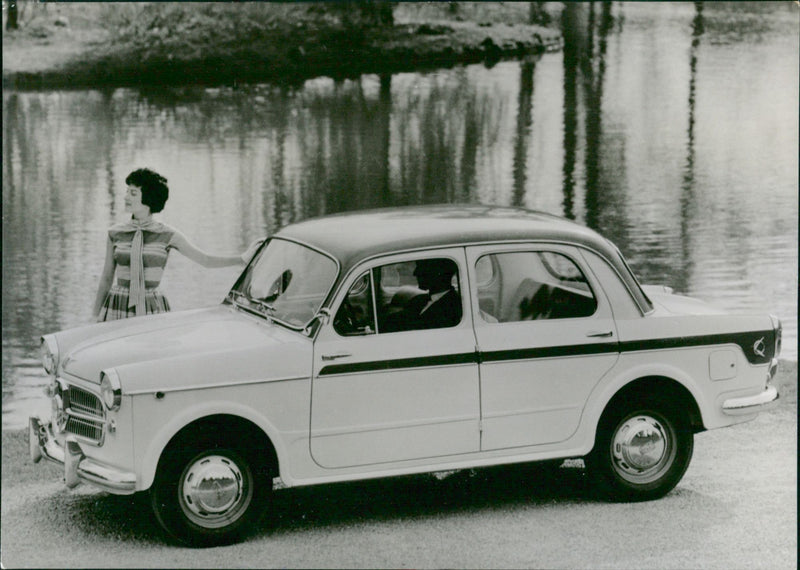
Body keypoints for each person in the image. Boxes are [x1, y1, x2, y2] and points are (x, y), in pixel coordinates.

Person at [93, 168, 261, 321]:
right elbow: (107, 278)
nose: (126, 197)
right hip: (117, 304)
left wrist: (242, 259)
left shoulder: (167, 234)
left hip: (151, 307)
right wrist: (95, 316)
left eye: (133, 193)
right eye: (127, 192)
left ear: (149, 199)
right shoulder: (115, 233)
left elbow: (205, 260)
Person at [382, 258, 462, 332]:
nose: (415, 272)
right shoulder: (419, 299)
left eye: (422, 267)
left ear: (438, 273)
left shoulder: (452, 307)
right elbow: (398, 319)